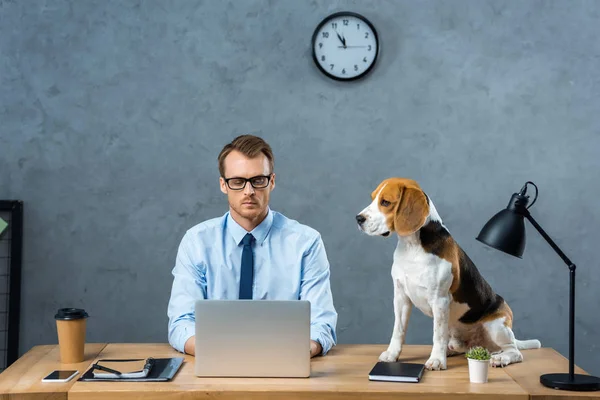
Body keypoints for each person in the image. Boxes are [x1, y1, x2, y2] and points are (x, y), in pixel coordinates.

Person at [167, 134, 337, 357]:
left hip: (286, 362)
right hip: (215, 363)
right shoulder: (197, 242)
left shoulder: (306, 242)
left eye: (258, 180)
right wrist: (222, 352)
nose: (249, 191)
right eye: (237, 182)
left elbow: (322, 323)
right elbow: (181, 322)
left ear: (272, 181)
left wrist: (298, 349)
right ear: (223, 185)